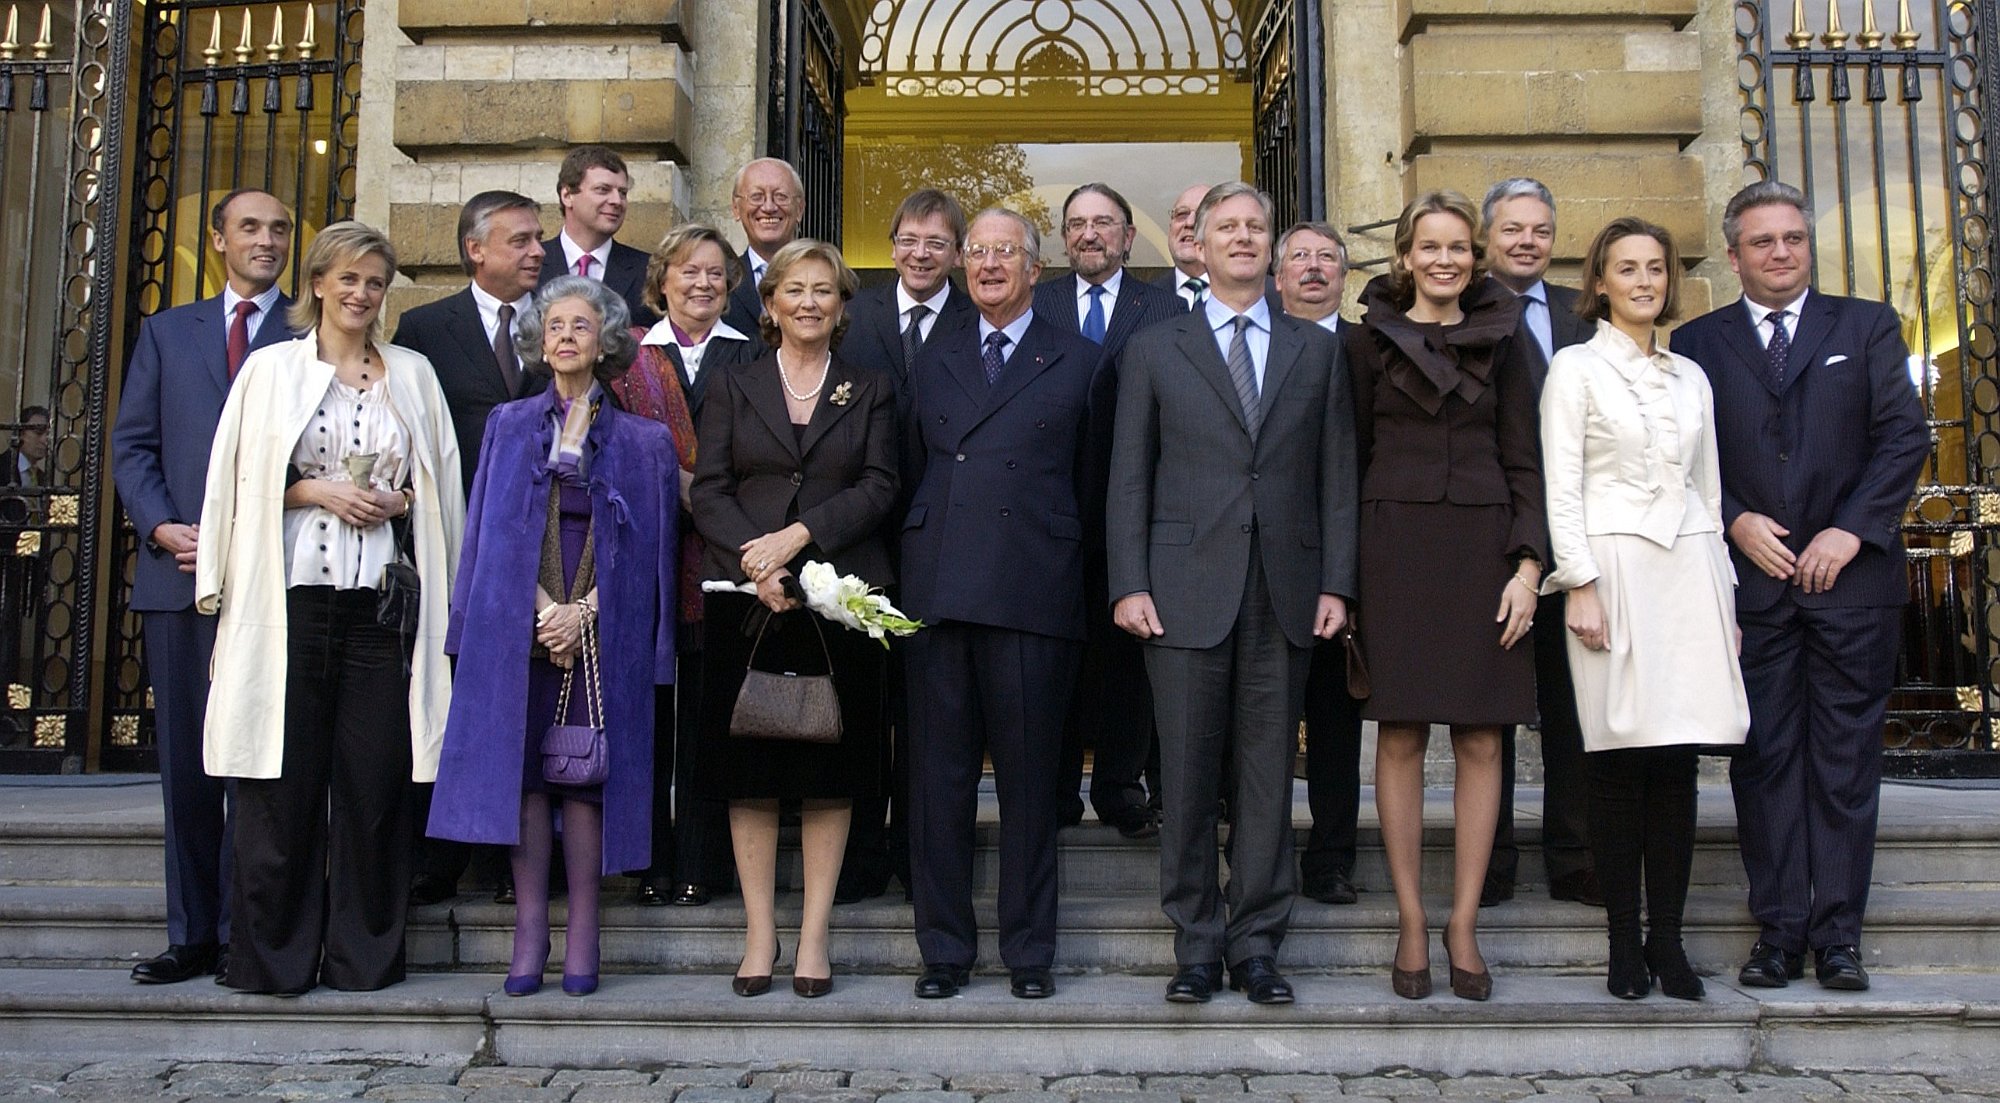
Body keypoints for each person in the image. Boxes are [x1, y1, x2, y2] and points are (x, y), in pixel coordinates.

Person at [195, 221, 464, 994]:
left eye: (375, 281)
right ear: (317, 283)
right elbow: (235, 476)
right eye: (347, 278)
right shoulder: (271, 371)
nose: (360, 293)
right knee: (278, 787)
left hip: (379, 611)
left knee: (375, 783)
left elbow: (440, 486)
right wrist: (312, 488)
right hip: (290, 604)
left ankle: (363, 957)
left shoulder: (411, 373)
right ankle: (271, 957)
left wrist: (396, 498)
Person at [1671, 181, 1927, 993]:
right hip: (1752, 587)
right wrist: (1734, 517)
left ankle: (1838, 935)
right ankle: (1778, 931)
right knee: (1766, 759)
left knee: (1845, 761)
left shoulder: (1866, 325)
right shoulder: (1697, 342)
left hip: (1853, 585)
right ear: (1735, 252)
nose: (1781, 253)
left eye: (1792, 239)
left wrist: (1852, 530)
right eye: (1763, 242)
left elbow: (1902, 436)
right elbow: (1680, 458)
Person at [1109, 183, 1357, 1005]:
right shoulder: (1155, 347)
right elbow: (1128, 480)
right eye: (1228, 228)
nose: (1243, 238)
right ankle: (1197, 942)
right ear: (1200, 245)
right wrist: (1128, 582)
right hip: (1180, 590)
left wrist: (1336, 584)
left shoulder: (1315, 350)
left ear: (1273, 250)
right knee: (1182, 776)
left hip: (1284, 588)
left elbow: (1336, 479)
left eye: (1257, 227)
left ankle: (1257, 943)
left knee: (1263, 777)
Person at [428, 275, 677, 998]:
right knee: (529, 780)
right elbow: (488, 535)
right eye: (555, 325)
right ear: (540, 341)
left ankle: (586, 934)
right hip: (521, 623)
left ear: (606, 341)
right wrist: (541, 609)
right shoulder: (507, 425)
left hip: (604, 625)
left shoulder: (645, 440)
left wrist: (583, 613)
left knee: (586, 781)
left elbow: (651, 558)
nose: (566, 335)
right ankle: (530, 932)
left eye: (581, 324)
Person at [1538, 217, 1749, 1000]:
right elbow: (1563, 486)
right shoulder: (1575, 368)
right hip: (1614, 569)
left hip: (1689, 565)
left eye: (1655, 268)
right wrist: (1580, 582)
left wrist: (1723, 595)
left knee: (1679, 761)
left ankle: (1671, 940)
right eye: (1625, 268)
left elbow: (1712, 490)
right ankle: (1622, 942)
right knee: (1620, 758)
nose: (1642, 281)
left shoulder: (1691, 375)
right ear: (1599, 282)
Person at [1346, 190, 1544, 1002]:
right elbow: (1345, 461)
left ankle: (1463, 921)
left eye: (1458, 246)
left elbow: (1530, 460)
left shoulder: (1509, 341)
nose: (1444, 259)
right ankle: (1410, 917)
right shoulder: (1362, 347)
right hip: (1392, 550)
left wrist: (1529, 567)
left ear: (1476, 256)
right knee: (1397, 735)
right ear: (1404, 257)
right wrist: (1345, 582)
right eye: (1429, 246)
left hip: (1484, 556)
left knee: (1483, 741)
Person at [902, 208, 1102, 1001]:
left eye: (1003, 252)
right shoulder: (933, 355)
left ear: (1036, 266)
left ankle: (1028, 950)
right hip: (940, 592)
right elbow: (912, 468)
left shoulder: (1082, 359)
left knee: (1028, 785)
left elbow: (1091, 484)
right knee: (939, 783)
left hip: (1031, 589)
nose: (987, 263)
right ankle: (943, 948)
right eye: (976, 251)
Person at [690, 238, 898, 999]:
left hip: (841, 597)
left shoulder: (869, 386)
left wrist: (800, 540)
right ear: (770, 304)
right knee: (750, 775)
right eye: (794, 289)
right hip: (746, 598)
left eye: (825, 290)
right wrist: (761, 562)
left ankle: (814, 936)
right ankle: (758, 933)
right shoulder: (732, 383)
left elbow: (881, 484)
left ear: (843, 307)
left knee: (828, 773)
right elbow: (708, 486)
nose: (810, 302)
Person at [110, 188, 295, 985]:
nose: (267, 240)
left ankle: (245, 933)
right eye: (250, 227)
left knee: (259, 767)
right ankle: (191, 933)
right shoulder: (166, 331)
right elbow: (134, 446)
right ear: (219, 239)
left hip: (272, 583)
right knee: (190, 767)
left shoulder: (310, 329)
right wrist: (161, 526)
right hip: (179, 579)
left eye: (280, 229)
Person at [394, 189, 551, 907]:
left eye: (538, 239)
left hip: (546, 548)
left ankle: (505, 861)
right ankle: (439, 855)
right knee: (454, 702)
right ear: (475, 248)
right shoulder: (424, 328)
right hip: (455, 543)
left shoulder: (558, 323)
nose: (536, 251)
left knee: (521, 707)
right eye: (519, 240)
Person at [834, 188, 976, 905]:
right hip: (860, 545)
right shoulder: (849, 319)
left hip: (947, 544)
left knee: (931, 720)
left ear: (957, 253)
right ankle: (861, 859)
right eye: (910, 240)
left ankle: (924, 863)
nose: (922, 253)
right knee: (863, 709)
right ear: (891, 247)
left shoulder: (978, 318)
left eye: (937, 242)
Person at [1032, 181, 1185, 838]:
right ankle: (1057, 789)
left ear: (1128, 235)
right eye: (1076, 224)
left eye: (1103, 222)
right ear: (1064, 239)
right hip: (1049, 517)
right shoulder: (1036, 305)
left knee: (1129, 665)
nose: (1088, 233)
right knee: (1056, 661)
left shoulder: (1166, 308)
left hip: (1137, 518)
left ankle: (1121, 789)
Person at [615, 223, 759, 909]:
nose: (701, 283)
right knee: (648, 718)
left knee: (708, 718)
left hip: (726, 561)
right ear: (661, 280)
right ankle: (649, 861)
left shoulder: (755, 356)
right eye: (687, 270)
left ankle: (704, 861)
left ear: (731, 285)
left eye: (714, 272)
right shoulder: (626, 361)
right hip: (643, 564)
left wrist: (706, 498)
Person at [1479, 178, 1600, 909]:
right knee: (1489, 701)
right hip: (1494, 537)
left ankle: (1575, 852)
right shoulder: (1464, 306)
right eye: (1514, 228)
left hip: (1577, 540)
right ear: (1489, 235)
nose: (1528, 241)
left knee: (1572, 701)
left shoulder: (1582, 312)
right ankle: (1491, 858)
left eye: (1541, 230)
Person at [1272, 220, 1364, 907]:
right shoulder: (1250, 344)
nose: (1311, 268)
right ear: (1277, 277)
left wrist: (1350, 574)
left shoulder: (1371, 350)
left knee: (1335, 724)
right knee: (1262, 727)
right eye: (1298, 258)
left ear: (1344, 274)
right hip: (1259, 566)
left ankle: (1331, 857)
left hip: (1342, 564)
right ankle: (1259, 854)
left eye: (1324, 258)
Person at [538, 145, 658, 328]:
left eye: (622, 193)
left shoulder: (649, 270)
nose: (617, 201)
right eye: (603, 190)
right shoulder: (532, 263)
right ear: (567, 195)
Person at [722, 158, 806, 335]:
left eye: (781, 196)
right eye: (756, 197)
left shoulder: (828, 283)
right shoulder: (721, 282)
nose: (769, 207)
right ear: (736, 208)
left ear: (799, 209)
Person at [1155, 183, 1213, 309]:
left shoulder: (1250, 293)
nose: (1190, 223)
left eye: (1201, 216)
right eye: (1181, 214)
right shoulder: (1146, 299)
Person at [2, 406, 50, 488]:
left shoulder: (43, 478)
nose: (45, 440)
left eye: (48, 434)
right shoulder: (3, 467)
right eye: (38, 432)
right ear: (20, 433)